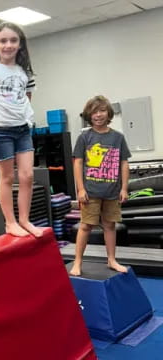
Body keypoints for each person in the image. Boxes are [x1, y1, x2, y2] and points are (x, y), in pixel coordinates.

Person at [0, 22, 43, 237]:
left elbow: (27, 99)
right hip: (2, 131)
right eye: (3, 41)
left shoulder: (25, 73)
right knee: (7, 177)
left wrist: (24, 119)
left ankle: (25, 220)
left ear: (20, 44)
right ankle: (10, 222)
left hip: (23, 129)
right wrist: (1, 116)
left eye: (13, 40)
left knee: (27, 176)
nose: (8, 45)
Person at [69, 95, 131, 276]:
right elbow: (78, 163)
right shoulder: (84, 137)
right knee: (85, 226)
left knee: (110, 225)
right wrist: (80, 189)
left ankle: (112, 260)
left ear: (108, 113)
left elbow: (124, 163)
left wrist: (124, 188)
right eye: (95, 111)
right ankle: (77, 262)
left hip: (112, 191)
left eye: (102, 110)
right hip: (91, 192)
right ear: (89, 114)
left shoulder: (118, 138)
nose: (98, 115)